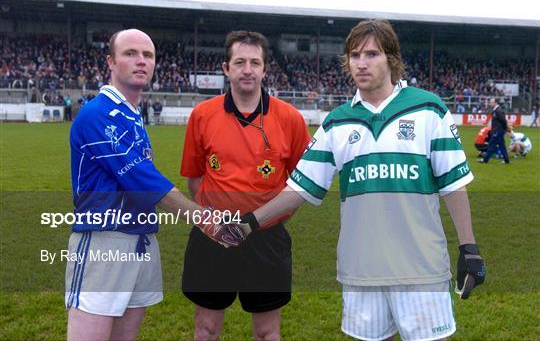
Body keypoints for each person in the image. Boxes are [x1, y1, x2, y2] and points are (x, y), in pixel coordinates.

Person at [228, 20, 486, 341]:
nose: (361, 63)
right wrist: (248, 223)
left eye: (372, 54)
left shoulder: (428, 109)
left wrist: (469, 248)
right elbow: (298, 189)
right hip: (362, 270)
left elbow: (453, 185)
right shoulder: (337, 121)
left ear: (391, 59)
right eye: (354, 55)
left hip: (421, 268)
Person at [67, 29, 243, 341]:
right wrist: (207, 221)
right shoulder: (98, 113)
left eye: (148, 55)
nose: (141, 61)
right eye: (130, 53)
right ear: (110, 61)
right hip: (105, 243)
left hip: (141, 240)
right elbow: (143, 182)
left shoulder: (132, 114)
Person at [180, 30, 310, 341]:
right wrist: (216, 219)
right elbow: (194, 178)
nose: (248, 69)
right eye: (240, 62)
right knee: (206, 330)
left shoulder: (290, 119)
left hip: (267, 240)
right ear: (226, 68)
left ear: (266, 69)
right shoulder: (202, 115)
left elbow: (302, 184)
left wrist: (267, 219)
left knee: (267, 333)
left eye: (255, 62)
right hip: (213, 239)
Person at [480, 98, 510, 163]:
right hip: (498, 131)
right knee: (502, 146)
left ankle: (485, 160)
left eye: (491, 102)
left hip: (497, 131)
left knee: (491, 145)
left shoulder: (498, 110)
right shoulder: (496, 110)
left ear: (495, 103)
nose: (490, 103)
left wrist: (504, 129)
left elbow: (503, 120)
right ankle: (506, 160)